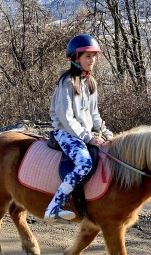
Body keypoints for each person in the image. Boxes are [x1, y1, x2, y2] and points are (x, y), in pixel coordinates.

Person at [44, 34, 114, 223]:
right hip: (65, 133)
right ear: (76, 58)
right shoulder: (66, 82)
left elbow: (94, 114)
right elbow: (66, 118)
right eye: (88, 56)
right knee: (84, 162)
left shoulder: (91, 82)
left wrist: (106, 133)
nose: (92, 60)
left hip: (84, 133)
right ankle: (54, 206)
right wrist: (88, 137)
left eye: (94, 56)